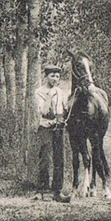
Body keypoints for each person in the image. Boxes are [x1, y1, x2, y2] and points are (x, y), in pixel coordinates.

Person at [34, 65, 69, 202]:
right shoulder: (39, 92)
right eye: (52, 76)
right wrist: (50, 95)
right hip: (45, 128)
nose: (55, 79)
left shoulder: (60, 92)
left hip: (58, 128)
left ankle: (57, 191)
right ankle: (41, 190)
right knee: (45, 158)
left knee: (59, 159)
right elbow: (44, 111)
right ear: (46, 76)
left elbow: (63, 109)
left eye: (57, 76)